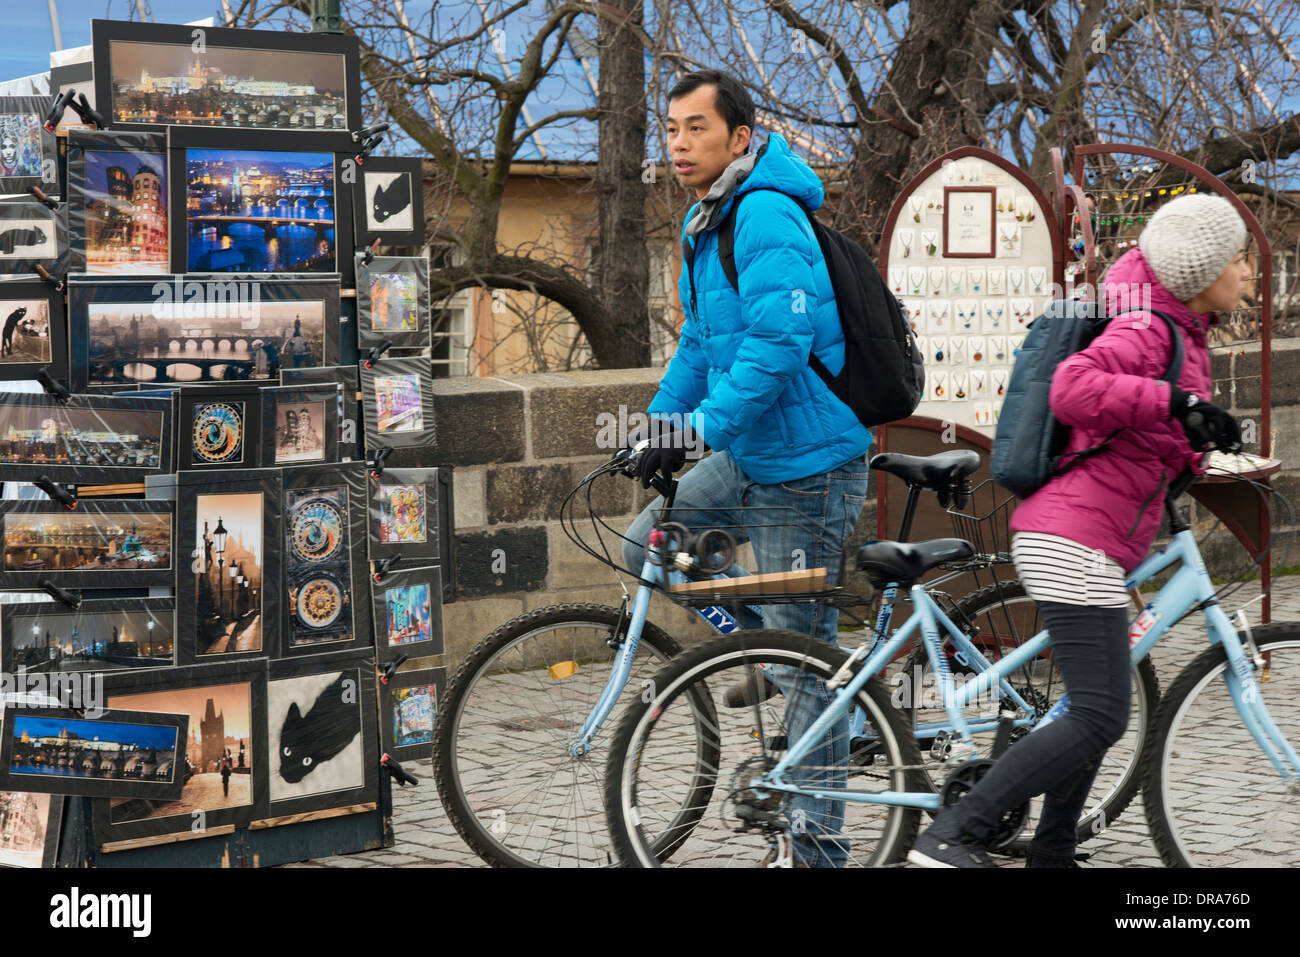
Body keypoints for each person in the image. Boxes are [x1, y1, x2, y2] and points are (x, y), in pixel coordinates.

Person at [908, 192, 1248, 868]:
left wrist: (1196, 441)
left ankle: (1053, 849)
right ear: (1200, 273)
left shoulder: (1174, 325)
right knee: (1100, 711)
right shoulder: (1151, 327)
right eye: (1238, 258)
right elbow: (1074, 387)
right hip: (1073, 538)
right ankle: (954, 832)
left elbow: (1138, 439)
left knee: (1094, 704)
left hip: (1090, 533)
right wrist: (1175, 400)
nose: (1247, 270)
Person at [620, 69, 871, 867]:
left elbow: (776, 348)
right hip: (750, 451)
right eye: (671, 129)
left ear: (739, 136)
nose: (680, 143)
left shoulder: (763, 212)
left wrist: (694, 434)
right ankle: (777, 659)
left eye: (697, 128)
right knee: (646, 547)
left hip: (810, 463)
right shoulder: (709, 219)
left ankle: (817, 846)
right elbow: (701, 346)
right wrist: (652, 428)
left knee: (808, 664)